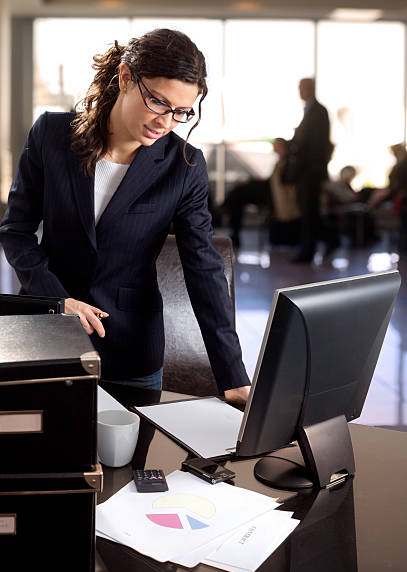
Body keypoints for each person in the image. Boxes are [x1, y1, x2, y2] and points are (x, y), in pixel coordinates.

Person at [0, 29, 250, 405]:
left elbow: (202, 267)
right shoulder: (51, 135)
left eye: (181, 112)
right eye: (158, 102)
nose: (166, 122)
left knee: (135, 462)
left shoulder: (185, 166)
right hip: (47, 336)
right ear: (125, 78)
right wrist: (56, 299)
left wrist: (232, 374)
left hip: (131, 349)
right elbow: (16, 231)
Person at [216, 138, 300, 249]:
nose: (275, 150)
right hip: (269, 192)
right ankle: (224, 210)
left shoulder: (288, 163)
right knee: (238, 192)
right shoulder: (281, 163)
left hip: (272, 197)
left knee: (238, 195)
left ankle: (222, 210)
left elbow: (282, 187)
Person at [284, 78, 332, 262]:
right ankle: (328, 240)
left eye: (301, 87)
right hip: (306, 172)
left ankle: (308, 251)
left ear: (310, 89)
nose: (299, 91)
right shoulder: (310, 111)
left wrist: (313, 168)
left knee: (309, 212)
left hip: (310, 172)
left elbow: (318, 144)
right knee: (309, 212)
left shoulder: (318, 111)